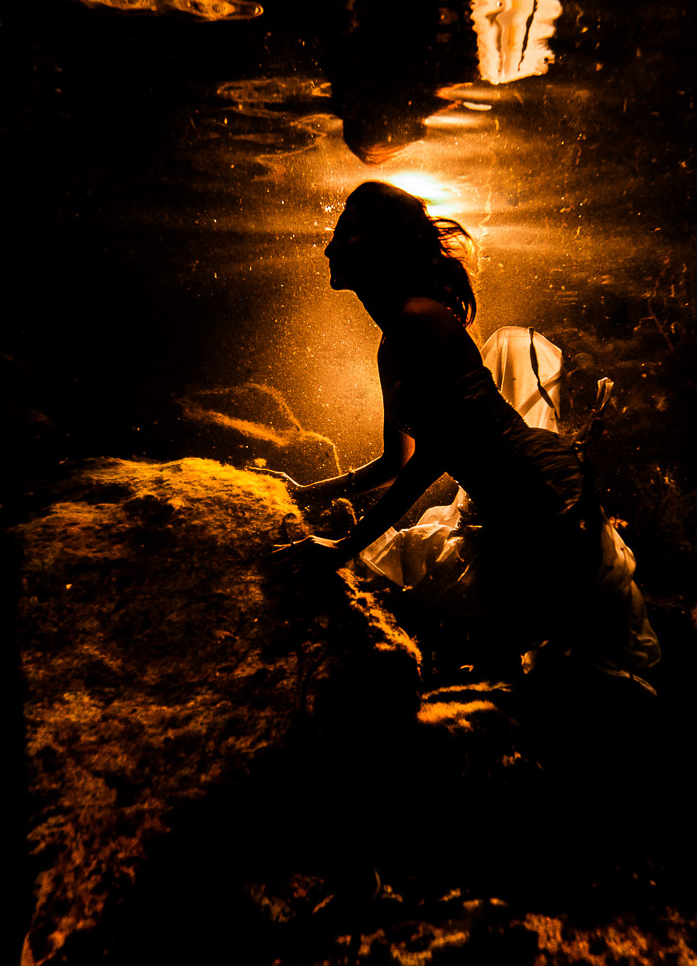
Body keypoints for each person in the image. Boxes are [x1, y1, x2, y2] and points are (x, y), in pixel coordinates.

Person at [263, 181, 659, 686]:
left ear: (384, 246)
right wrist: (305, 494)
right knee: (550, 666)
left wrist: (345, 545)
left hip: (538, 499)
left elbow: (433, 458)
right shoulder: (393, 341)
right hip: (503, 504)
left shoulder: (419, 321)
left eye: (349, 232)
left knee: (577, 663)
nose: (329, 246)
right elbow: (397, 462)